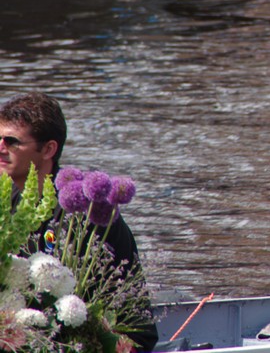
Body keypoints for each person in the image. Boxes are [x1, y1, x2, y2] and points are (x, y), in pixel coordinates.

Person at [0, 92, 158, 352]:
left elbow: (132, 326)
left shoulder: (87, 216)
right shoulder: (4, 204)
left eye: (11, 141)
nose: (0, 147)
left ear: (48, 149)